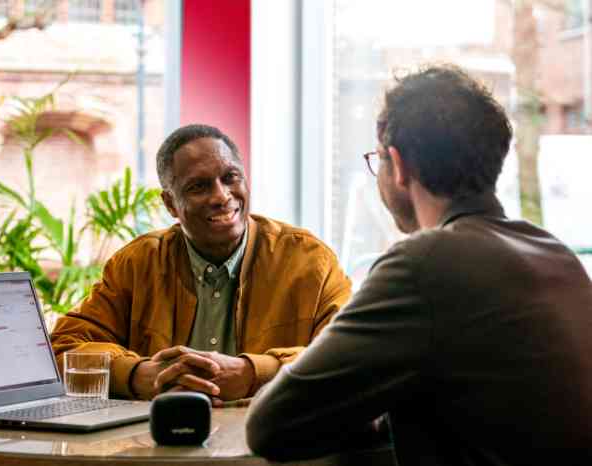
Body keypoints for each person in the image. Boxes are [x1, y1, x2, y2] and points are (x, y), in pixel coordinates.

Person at [246, 65, 592, 465]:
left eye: (377, 159)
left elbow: (270, 426)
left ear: (399, 165)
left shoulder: (424, 262)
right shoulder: (553, 252)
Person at [50, 124, 351, 405]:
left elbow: (348, 354)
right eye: (199, 187)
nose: (221, 196)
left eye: (230, 177)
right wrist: (138, 374)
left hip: (269, 448)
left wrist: (252, 373)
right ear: (170, 204)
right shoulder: (137, 263)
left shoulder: (309, 260)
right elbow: (63, 348)